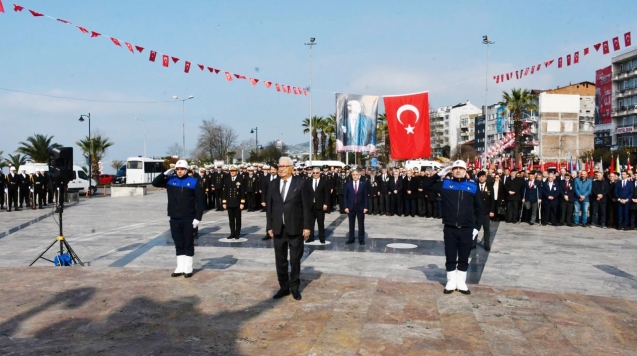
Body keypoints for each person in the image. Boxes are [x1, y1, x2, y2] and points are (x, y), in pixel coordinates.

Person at [422, 160, 482, 295]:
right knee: (450, 255)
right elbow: (426, 184)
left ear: (466, 171)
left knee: (464, 256)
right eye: (455, 168)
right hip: (450, 227)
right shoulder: (446, 184)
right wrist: (440, 173)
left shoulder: (473, 186)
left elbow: (479, 209)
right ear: (452, 170)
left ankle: (461, 282)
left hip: (467, 228)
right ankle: (450, 281)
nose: (458, 171)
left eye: (461, 168)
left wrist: (476, 228)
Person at [266, 157, 312, 301]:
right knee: (280, 260)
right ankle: (283, 287)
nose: (281, 169)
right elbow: (270, 207)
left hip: (295, 227)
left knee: (295, 259)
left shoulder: (301, 182)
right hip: (278, 227)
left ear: (291, 168)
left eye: (284, 166)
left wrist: (307, 226)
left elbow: (306, 206)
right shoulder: (273, 184)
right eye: (280, 166)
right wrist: (269, 226)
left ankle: (294, 287)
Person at [152, 159, 205, 278]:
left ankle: (188, 267)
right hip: (174, 217)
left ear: (186, 170)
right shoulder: (170, 180)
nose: (180, 171)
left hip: (188, 218)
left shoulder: (193, 182)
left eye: (182, 169)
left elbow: (201, 202)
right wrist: (165, 173)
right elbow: (155, 183)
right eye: (178, 169)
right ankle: (180, 267)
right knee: (178, 242)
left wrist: (197, 218)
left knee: (188, 242)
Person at [344, 169, 369, 245]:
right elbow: (345, 197)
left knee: (361, 223)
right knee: (351, 223)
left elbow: (366, 196)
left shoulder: (363, 184)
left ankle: (361, 239)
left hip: (360, 206)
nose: (355, 176)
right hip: (351, 207)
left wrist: (366, 207)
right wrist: (346, 207)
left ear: (359, 175)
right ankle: (351, 238)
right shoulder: (348, 184)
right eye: (353, 175)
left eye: (356, 175)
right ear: (352, 176)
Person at [306, 166, 330, 243]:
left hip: (320, 205)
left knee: (320, 222)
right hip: (311, 206)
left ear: (320, 173)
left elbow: (327, 194)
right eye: (314, 173)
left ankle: (321, 237)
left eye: (317, 173)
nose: (315, 174)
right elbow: (306, 194)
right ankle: (311, 237)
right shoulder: (308, 181)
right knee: (311, 223)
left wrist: (326, 203)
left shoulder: (324, 181)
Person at [222, 166, 246, 239]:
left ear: (237, 172)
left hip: (237, 203)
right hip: (229, 203)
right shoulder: (227, 180)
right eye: (231, 171)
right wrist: (224, 202)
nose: (232, 172)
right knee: (231, 219)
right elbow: (225, 192)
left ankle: (237, 233)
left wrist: (242, 203)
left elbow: (242, 192)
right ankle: (232, 233)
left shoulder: (240, 180)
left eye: (234, 171)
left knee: (238, 219)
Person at [477, 171, 494, 251]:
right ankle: (473, 243)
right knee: (475, 228)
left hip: (486, 212)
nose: (481, 178)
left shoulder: (490, 186)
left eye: (483, 176)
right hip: (476, 211)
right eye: (480, 176)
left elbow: (492, 200)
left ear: (485, 177)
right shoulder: (475, 186)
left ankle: (486, 244)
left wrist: (492, 210)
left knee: (486, 229)